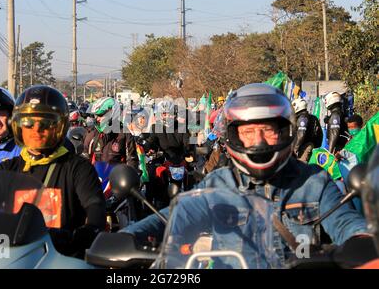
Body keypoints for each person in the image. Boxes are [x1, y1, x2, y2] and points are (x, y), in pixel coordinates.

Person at [122, 83, 368, 265]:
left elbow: (346, 223)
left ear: (285, 132)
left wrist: (363, 240)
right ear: (233, 136)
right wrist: (127, 237)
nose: (258, 141)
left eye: (267, 130)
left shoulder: (314, 182)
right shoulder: (218, 185)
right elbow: (173, 216)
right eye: (248, 132)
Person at [0, 85, 106, 258]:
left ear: (60, 127)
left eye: (46, 123)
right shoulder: (6, 170)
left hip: (61, 259)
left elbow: (95, 209)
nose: (37, 129)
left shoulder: (77, 168)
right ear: (17, 126)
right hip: (12, 259)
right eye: (28, 123)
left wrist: (78, 235)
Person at [84, 97, 138, 168]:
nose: (97, 118)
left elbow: (132, 159)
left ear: (112, 113)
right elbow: (84, 159)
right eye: (96, 116)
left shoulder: (124, 134)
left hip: (118, 176)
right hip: (97, 177)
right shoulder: (92, 134)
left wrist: (131, 174)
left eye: (100, 115)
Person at [291, 97, 323, 162]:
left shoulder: (302, 118)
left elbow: (301, 134)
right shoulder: (312, 117)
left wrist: (295, 149)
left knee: (300, 167)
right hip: (311, 147)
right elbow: (320, 135)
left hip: (304, 147)